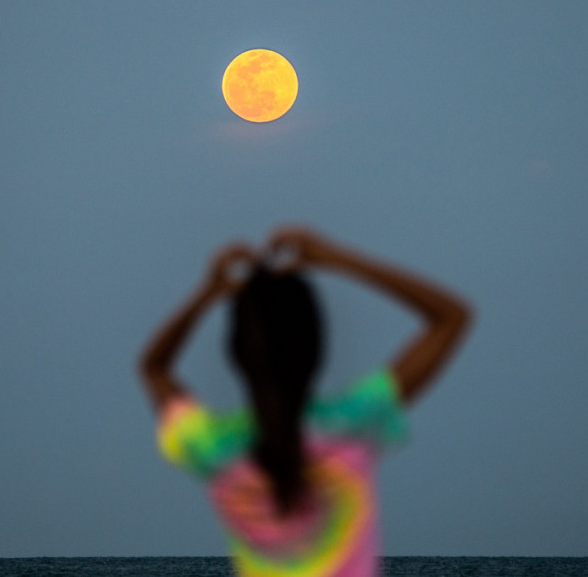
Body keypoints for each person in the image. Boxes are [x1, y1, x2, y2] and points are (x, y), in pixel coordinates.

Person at [139, 225, 472, 577]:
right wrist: (337, 257)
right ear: (317, 349)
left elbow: (154, 368)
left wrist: (208, 292)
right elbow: (450, 318)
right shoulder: (354, 422)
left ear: (236, 356)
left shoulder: (213, 445)